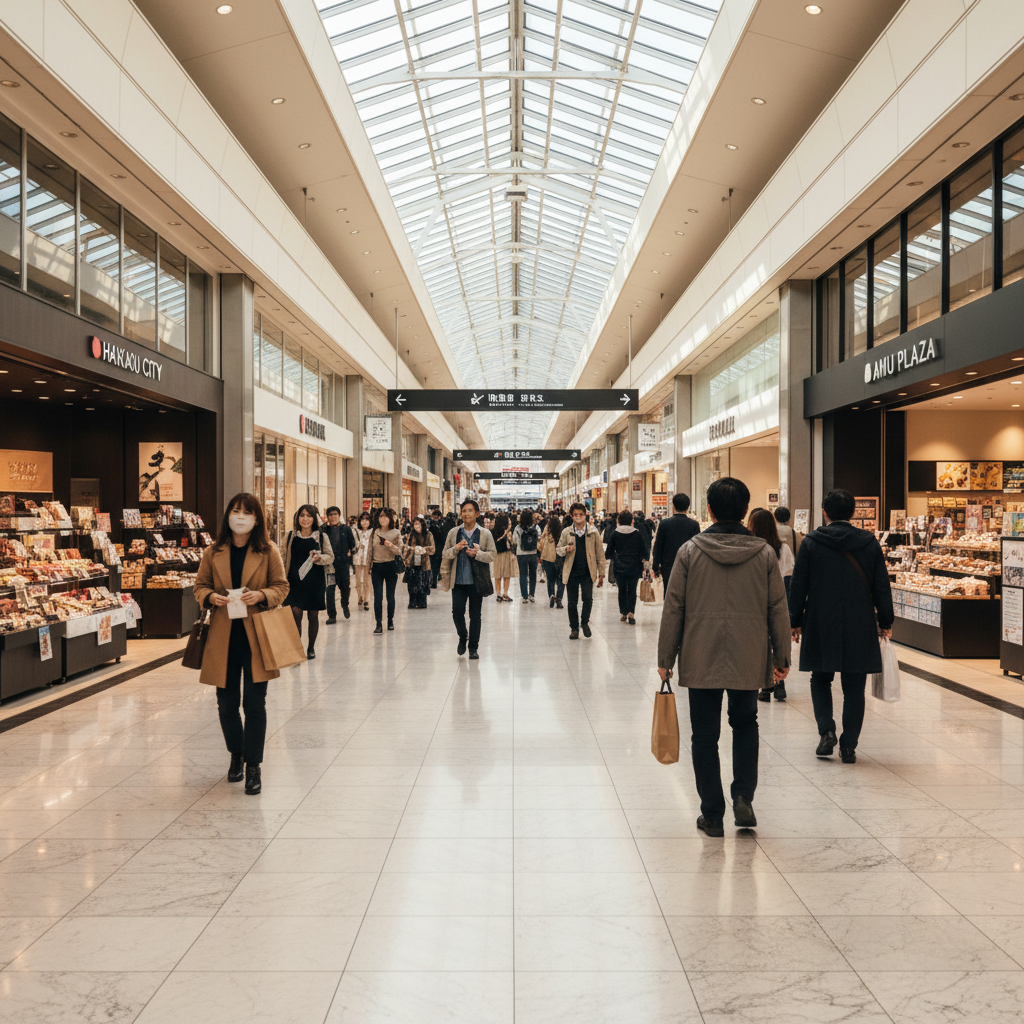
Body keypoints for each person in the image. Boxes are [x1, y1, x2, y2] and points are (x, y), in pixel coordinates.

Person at [657, 477, 791, 837]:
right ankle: (744, 796)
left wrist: (665, 657)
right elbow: (778, 608)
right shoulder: (764, 553)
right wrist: (782, 657)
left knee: (704, 735)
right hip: (749, 653)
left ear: (710, 510)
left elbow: (674, 609)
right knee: (745, 723)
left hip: (701, 652)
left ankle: (712, 814)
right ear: (746, 511)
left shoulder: (689, 552)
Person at [789, 488, 894, 763]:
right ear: (853, 513)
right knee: (854, 685)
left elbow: (799, 585)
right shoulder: (868, 542)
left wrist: (794, 621)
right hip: (859, 620)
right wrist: (885, 621)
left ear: (825, 512)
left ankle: (827, 731)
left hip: (821, 619)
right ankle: (849, 745)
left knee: (820, 678)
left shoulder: (811, 542)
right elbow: (882, 585)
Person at [194, 492, 289, 796]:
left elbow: (281, 587)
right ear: (228, 516)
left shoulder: (268, 551)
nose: (240, 517)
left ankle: (254, 766)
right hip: (224, 635)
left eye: (247, 513)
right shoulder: (213, 552)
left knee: (254, 704)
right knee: (226, 704)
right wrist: (210, 597)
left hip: (257, 635)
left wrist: (261, 596)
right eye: (236, 511)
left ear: (257, 518)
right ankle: (236, 753)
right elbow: (200, 586)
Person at [747, 508, 795, 702]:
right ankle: (779, 682)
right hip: (778, 599)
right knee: (777, 640)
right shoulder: (783, 548)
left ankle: (765, 687)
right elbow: (789, 574)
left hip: (754, 602)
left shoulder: (750, 549)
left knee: (760, 643)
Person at [440, 498, 496, 659]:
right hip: (458, 580)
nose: (466, 514)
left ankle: (473, 647)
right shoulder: (454, 533)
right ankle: (463, 636)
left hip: (476, 581)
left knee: (475, 615)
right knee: (457, 612)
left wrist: (477, 554)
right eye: (464, 511)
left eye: (470, 510)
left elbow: (492, 555)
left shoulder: (485, 534)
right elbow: (445, 553)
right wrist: (456, 548)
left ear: (477, 513)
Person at [283, 504, 333, 660]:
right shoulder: (290, 536)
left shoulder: (322, 537)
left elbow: (330, 557)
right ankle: (298, 649)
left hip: (315, 581)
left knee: (313, 615)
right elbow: (282, 557)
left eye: (309, 516)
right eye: (302, 515)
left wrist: (320, 558)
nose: (305, 519)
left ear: (314, 518)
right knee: (295, 614)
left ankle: (311, 648)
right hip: (294, 582)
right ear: (298, 517)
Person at [557, 503, 606, 640]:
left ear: (585, 515)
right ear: (572, 516)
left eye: (581, 514)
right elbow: (558, 549)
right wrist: (565, 549)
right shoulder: (566, 532)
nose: (578, 517)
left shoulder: (593, 532)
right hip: (571, 572)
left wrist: (601, 573)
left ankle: (584, 622)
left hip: (587, 572)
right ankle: (574, 628)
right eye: (576, 515)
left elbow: (600, 553)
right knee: (572, 602)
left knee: (588, 599)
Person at [605, 509, 647, 624]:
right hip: (634, 566)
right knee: (632, 589)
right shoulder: (637, 534)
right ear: (631, 521)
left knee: (622, 590)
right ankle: (631, 613)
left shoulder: (615, 534)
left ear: (619, 521)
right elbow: (644, 552)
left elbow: (608, 553)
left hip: (619, 567)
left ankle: (623, 612)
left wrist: (616, 557)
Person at [652, 492, 701, 581]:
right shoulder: (694, 525)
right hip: (687, 566)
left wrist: (655, 566)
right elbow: (697, 548)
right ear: (688, 507)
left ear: (673, 506)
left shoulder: (664, 524)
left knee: (668, 592)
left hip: (668, 566)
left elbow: (658, 546)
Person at [369, 507, 403, 634]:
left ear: (390, 518)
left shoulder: (396, 533)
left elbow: (400, 551)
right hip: (377, 567)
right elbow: (369, 552)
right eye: (381, 516)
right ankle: (378, 623)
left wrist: (389, 545)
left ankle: (390, 620)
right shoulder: (374, 532)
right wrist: (368, 567)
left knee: (390, 596)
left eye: (385, 516)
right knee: (378, 597)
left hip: (390, 566)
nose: (383, 519)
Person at [323, 505, 355, 623]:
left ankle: (345, 604)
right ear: (327, 517)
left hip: (343, 564)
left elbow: (352, 544)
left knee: (345, 587)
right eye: (330, 515)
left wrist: (349, 552)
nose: (333, 517)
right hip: (329, 565)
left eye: (335, 514)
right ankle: (332, 615)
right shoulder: (324, 529)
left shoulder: (346, 529)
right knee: (329, 590)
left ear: (339, 515)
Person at [403, 516, 435, 609]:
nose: (416, 526)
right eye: (415, 524)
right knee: (412, 585)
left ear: (422, 524)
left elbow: (432, 549)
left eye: (418, 524)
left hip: (424, 563)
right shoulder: (411, 534)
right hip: (412, 563)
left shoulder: (428, 534)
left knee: (422, 584)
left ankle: (422, 602)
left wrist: (423, 549)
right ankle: (412, 602)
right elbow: (407, 547)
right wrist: (407, 556)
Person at [513, 509, 540, 603]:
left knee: (523, 574)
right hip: (533, 553)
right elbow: (539, 539)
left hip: (521, 554)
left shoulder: (517, 528)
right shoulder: (536, 527)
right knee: (533, 574)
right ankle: (531, 595)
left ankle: (524, 596)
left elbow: (515, 541)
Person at [491, 512, 518, 602]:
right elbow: (512, 544)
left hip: (496, 555)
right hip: (506, 554)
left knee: (497, 575)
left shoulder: (492, 532)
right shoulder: (507, 533)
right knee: (507, 574)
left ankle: (498, 594)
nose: (510, 524)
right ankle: (505, 593)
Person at [539, 515, 564, 609]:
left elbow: (540, 546)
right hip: (560, 560)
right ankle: (559, 599)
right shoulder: (562, 534)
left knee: (550, 580)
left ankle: (551, 595)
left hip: (548, 559)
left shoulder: (546, 535)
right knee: (561, 580)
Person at [352, 512, 373, 611]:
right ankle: (359, 596)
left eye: (367, 519)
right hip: (357, 557)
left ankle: (366, 599)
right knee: (358, 580)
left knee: (367, 580)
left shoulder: (373, 532)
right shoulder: (355, 531)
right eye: (362, 520)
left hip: (368, 558)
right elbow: (351, 544)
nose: (364, 522)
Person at [428, 509, 446, 589]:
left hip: (436, 549)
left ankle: (434, 580)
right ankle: (435, 579)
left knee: (434, 566)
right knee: (435, 566)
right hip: (438, 549)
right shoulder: (442, 525)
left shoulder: (431, 526)